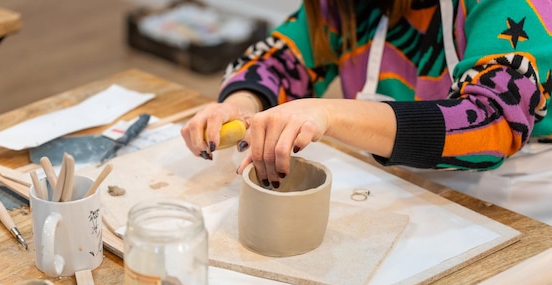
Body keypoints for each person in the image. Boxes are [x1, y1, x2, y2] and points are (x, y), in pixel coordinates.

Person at [181, 0, 552, 222]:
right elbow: (283, 57)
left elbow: (494, 122)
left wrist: (331, 113)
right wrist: (240, 104)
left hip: (511, 195)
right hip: (401, 177)